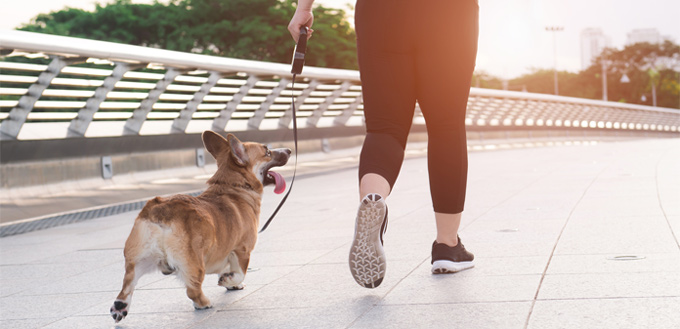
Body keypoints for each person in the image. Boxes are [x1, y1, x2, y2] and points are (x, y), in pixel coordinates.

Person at [288, 0, 479, 288]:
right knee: (446, 127)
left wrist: (303, 8)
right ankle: (447, 246)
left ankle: (374, 198)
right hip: (449, 13)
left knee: (384, 129)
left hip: (380, 13)